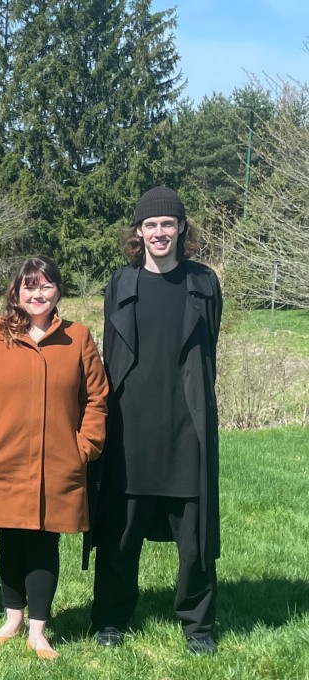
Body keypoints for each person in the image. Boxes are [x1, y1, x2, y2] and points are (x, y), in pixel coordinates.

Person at [88, 185, 223, 655]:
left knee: (196, 541)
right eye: (151, 225)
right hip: (130, 431)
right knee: (119, 537)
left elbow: (209, 351)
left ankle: (197, 626)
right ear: (139, 232)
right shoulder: (120, 284)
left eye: (168, 223)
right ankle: (110, 620)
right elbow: (110, 356)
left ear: (181, 228)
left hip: (187, 429)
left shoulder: (203, 283)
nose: (159, 232)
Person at [0, 256, 108, 659]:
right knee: (10, 538)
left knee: (44, 540)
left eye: (45, 286)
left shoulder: (78, 338)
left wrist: (85, 447)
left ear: (58, 290)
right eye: (29, 287)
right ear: (16, 293)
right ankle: (13, 619)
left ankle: (38, 630)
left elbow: (97, 398)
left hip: (59, 462)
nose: (38, 294)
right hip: (2, 459)